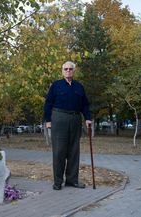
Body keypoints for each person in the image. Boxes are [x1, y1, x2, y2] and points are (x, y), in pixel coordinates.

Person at [43, 61, 92, 190]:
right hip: (59, 118)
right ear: (62, 71)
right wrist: (48, 120)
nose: (68, 71)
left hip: (75, 119)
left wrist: (88, 118)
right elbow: (48, 103)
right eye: (66, 69)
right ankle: (58, 181)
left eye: (70, 69)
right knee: (59, 151)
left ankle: (72, 180)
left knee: (74, 151)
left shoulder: (79, 87)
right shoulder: (56, 85)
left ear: (74, 71)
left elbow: (85, 104)